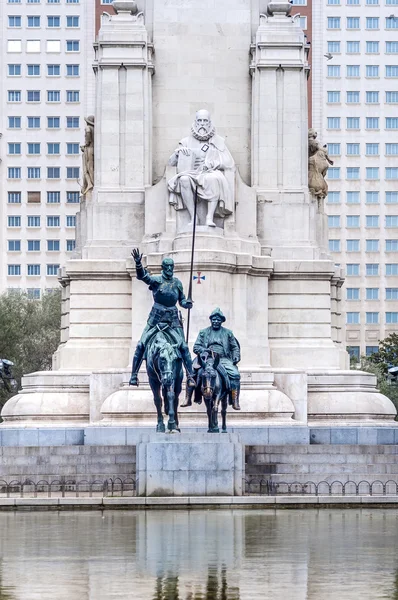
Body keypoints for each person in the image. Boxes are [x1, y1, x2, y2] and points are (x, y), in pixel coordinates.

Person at [129, 248, 195, 387]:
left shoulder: (177, 283)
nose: (170, 268)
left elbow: (181, 300)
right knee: (141, 344)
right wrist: (138, 264)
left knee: (183, 347)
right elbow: (143, 277)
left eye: (172, 266)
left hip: (173, 320)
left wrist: (186, 304)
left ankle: (190, 376)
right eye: (167, 266)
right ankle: (134, 375)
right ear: (163, 268)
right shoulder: (157, 280)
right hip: (155, 319)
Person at [168, 109, 234, 227]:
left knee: (213, 179)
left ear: (209, 123)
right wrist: (177, 153)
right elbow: (171, 163)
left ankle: (209, 217)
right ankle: (193, 217)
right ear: (195, 122)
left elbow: (228, 162)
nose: (202, 124)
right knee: (183, 179)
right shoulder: (185, 141)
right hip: (191, 172)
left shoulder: (217, 141)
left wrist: (212, 163)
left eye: (205, 121)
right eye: (200, 121)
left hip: (208, 172)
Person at [182, 308, 241, 410]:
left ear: (222, 321)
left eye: (218, 319)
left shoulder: (228, 333)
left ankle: (235, 400)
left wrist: (236, 356)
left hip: (223, 359)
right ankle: (188, 398)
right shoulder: (203, 332)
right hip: (205, 358)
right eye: (214, 319)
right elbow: (196, 347)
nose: (216, 321)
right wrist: (206, 350)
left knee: (235, 374)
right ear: (211, 320)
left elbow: (235, 347)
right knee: (192, 372)